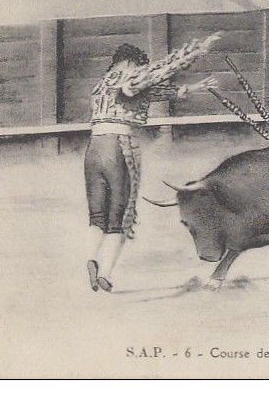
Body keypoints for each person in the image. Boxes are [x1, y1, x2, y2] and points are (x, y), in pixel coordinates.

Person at [85, 34, 222, 293]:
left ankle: (91, 257)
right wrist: (198, 50)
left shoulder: (102, 84)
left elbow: (157, 91)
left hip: (94, 149)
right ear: (128, 63)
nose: (140, 71)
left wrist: (193, 88)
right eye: (137, 66)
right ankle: (105, 273)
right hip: (119, 147)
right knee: (120, 219)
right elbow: (160, 72)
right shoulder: (130, 77)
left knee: (96, 216)